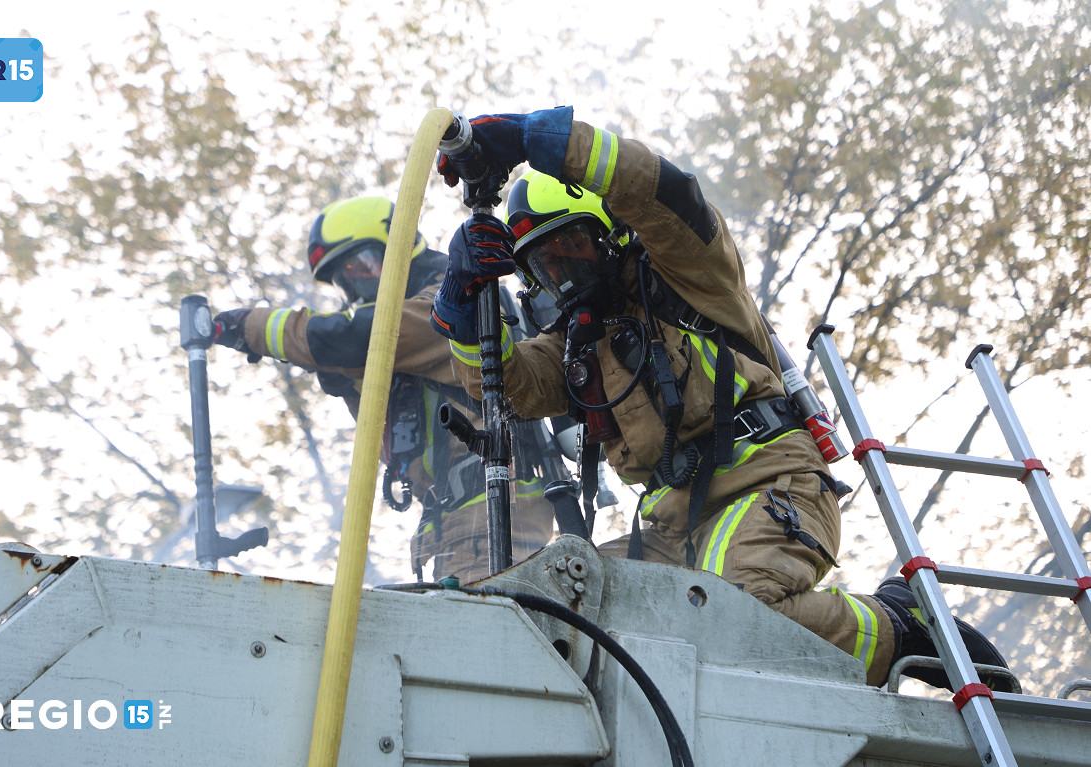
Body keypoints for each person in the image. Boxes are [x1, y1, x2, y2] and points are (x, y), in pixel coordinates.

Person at [429, 107, 1011, 691]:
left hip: (768, 480)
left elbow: (661, 192)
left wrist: (538, 140)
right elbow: (506, 386)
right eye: (545, 266)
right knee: (559, 604)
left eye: (573, 246)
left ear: (611, 236)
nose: (564, 273)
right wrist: (462, 301)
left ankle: (897, 625)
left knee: (737, 619)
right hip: (670, 525)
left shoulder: (691, 274)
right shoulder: (579, 344)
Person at [213, 195, 558, 582]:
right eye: (346, 279)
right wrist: (346, 383)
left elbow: (362, 334)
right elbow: (392, 445)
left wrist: (252, 328)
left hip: (493, 519)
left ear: (399, 249)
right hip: (454, 528)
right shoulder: (401, 352)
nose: (357, 286)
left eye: (362, 266)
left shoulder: (455, 301)